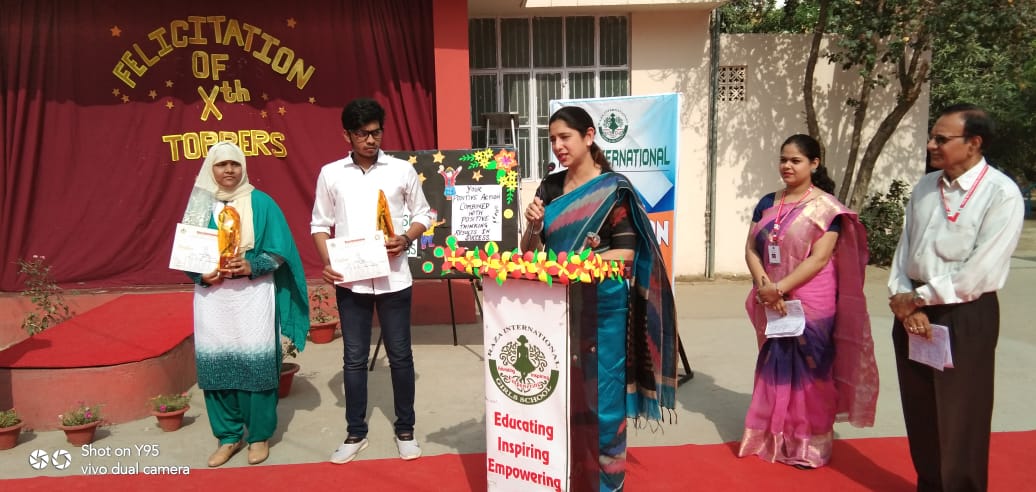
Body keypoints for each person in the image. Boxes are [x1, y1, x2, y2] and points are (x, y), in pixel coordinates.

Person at [521, 106, 678, 491]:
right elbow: (529, 253)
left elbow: (625, 255)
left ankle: (608, 482)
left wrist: (571, 264)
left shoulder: (613, 190)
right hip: (556, 307)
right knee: (560, 394)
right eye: (552, 139)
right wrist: (534, 226)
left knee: (604, 398)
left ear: (589, 136)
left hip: (604, 308)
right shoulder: (549, 188)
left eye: (565, 137)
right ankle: (565, 473)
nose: (557, 146)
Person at [888, 104, 1023, 491]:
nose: (931, 145)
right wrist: (903, 298)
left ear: (974, 143)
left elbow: (979, 271)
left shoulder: (1001, 194)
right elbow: (904, 251)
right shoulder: (926, 186)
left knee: (962, 416)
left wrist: (919, 298)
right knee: (921, 409)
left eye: (941, 139)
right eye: (931, 137)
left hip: (964, 314)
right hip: (912, 309)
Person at [738, 134, 878, 469]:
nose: (787, 166)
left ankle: (809, 445)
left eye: (795, 160)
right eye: (783, 159)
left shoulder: (828, 209)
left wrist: (780, 288)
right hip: (770, 296)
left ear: (814, 163)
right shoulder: (768, 202)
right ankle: (773, 438)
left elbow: (819, 259)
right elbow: (751, 248)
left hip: (811, 301)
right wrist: (766, 287)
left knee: (812, 369)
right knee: (774, 365)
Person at [311, 97, 432, 464]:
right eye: (362, 134)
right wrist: (327, 263)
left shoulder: (401, 170)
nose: (370, 140)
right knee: (353, 358)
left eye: (376, 132)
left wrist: (406, 238)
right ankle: (355, 432)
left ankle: (405, 429)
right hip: (351, 283)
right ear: (347, 135)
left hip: (395, 279)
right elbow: (319, 224)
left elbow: (423, 214)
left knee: (400, 355)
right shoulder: (331, 174)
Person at [180, 141, 309, 467]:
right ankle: (228, 436)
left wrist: (253, 265)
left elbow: (280, 250)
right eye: (221, 164)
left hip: (253, 296)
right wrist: (200, 275)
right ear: (210, 168)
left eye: (234, 164)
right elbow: (186, 253)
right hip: (212, 299)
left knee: (257, 363)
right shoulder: (199, 205)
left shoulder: (261, 202)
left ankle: (259, 436)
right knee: (215, 364)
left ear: (243, 167)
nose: (229, 170)